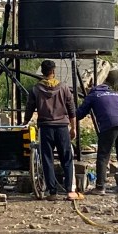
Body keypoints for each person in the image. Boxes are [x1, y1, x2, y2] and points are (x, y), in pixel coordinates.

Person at [24, 59, 82, 201]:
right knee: (66, 159)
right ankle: (70, 190)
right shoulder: (64, 88)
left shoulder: (36, 89)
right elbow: (72, 110)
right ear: (53, 71)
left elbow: (29, 109)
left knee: (47, 159)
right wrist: (73, 128)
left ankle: (52, 192)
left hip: (45, 128)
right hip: (62, 127)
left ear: (42, 72)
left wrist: (25, 122)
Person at [76, 82, 118, 195]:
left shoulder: (93, 95)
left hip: (108, 125)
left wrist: (68, 114)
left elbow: (80, 113)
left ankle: (100, 187)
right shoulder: (116, 94)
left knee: (103, 156)